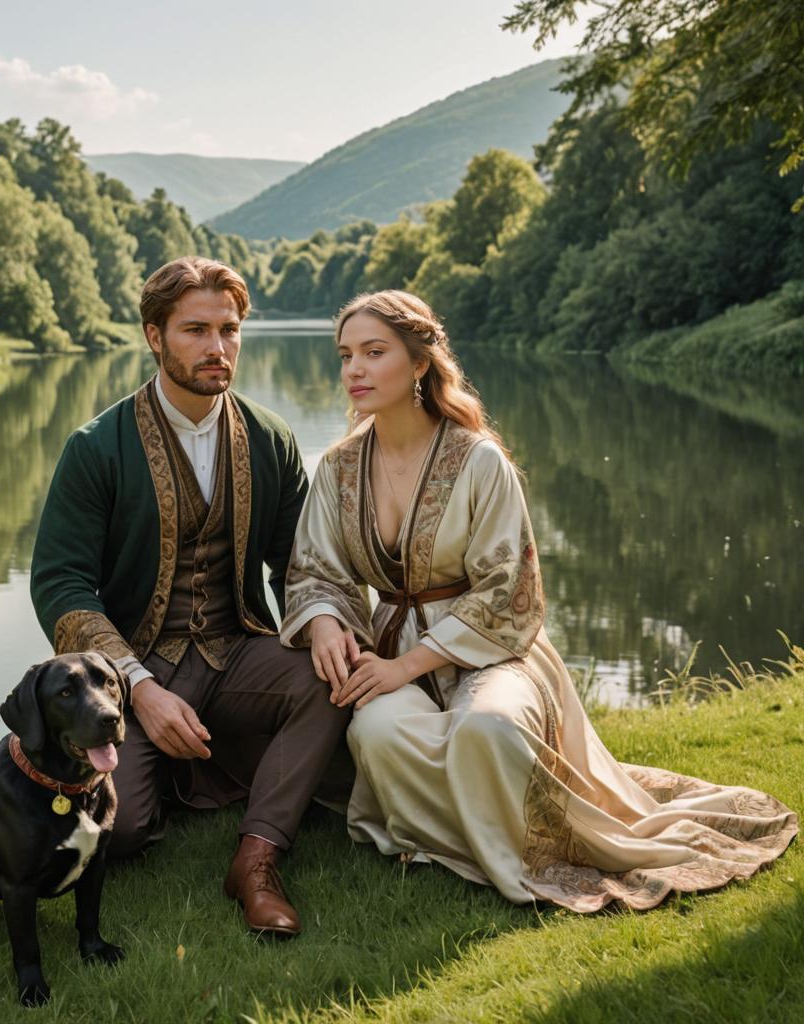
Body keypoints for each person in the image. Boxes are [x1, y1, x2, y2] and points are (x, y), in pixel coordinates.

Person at [280, 289, 797, 912]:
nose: (354, 370)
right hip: (391, 643)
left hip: (494, 647)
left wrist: (405, 668)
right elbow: (314, 568)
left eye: (373, 352)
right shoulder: (337, 467)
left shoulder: (478, 460)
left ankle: (522, 847)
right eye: (345, 356)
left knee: (488, 729)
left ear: (419, 364)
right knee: (379, 731)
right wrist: (327, 622)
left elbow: (510, 590)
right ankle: (446, 839)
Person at [31, 257, 351, 936]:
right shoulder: (95, 448)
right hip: (135, 672)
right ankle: (187, 777)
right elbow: (60, 583)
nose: (217, 348)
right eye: (195, 330)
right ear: (154, 335)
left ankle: (257, 858)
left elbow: (300, 563)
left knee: (326, 680)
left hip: (236, 651)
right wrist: (138, 686)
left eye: (230, 330)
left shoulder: (271, 437)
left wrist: (322, 620)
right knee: (120, 833)